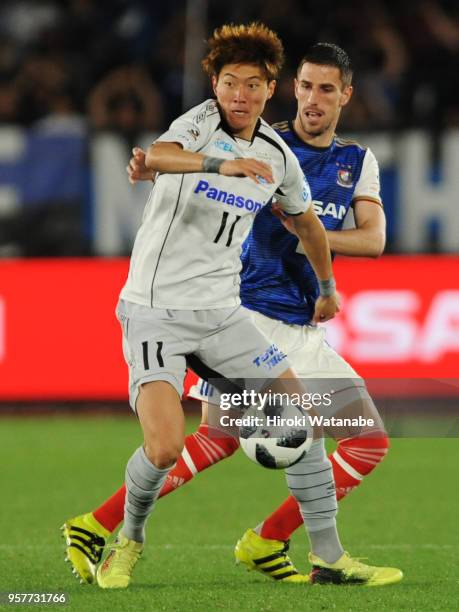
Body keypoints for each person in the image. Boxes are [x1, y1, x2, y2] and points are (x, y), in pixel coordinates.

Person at [63, 34, 402, 588]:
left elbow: (351, 235)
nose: (314, 99)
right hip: (223, 309)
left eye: (327, 90)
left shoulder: (320, 159)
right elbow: (162, 155)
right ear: (291, 89)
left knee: (246, 436)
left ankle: (292, 548)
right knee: (189, 442)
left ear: (346, 95)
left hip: (260, 319)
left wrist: (324, 281)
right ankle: (127, 534)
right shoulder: (211, 125)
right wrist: (193, 166)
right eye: (307, 86)